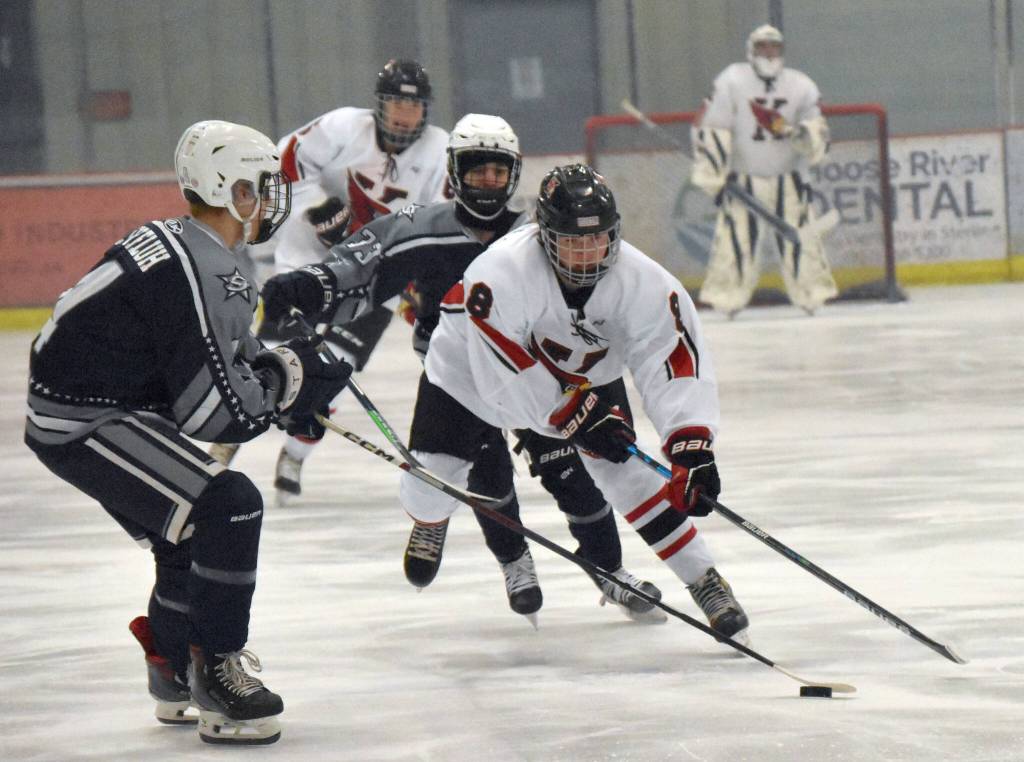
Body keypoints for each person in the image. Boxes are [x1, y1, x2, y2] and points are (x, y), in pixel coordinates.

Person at [266, 161, 750, 643]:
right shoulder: (501, 271)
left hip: (581, 373)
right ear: (545, 236)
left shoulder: (645, 281)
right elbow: (505, 371)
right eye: (572, 242)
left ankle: (704, 578)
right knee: (430, 485)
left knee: (627, 473)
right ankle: (432, 518)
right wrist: (571, 417)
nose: (586, 255)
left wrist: (690, 442)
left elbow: (673, 358)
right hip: (466, 372)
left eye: (597, 239)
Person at [24, 120, 352, 745]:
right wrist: (291, 386)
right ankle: (218, 672)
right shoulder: (204, 267)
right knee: (228, 507)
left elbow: (229, 362)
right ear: (230, 191)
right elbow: (214, 414)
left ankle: (171, 667)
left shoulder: (192, 244)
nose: (273, 199)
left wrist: (283, 382)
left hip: (89, 403)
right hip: (85, 418)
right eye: (262, 186)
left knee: (183, 532)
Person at [210, 58, 450, 500]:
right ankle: (226, 441)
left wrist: (420, 281)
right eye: (396, 102)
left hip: (375, 278)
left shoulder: (440, 152)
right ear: (380, 104)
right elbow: (283, 165)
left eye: (413, 106)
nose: (404, 114)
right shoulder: (342, 128)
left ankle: (294, 457)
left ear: (426, 112)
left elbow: (440, 225)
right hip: (306, 262)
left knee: (332, 371)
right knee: (269, 357)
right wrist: (314, 208)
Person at [692, 23, 836, 317]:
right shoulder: (732, 80)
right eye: (762, 47)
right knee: (736, 240)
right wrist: (713, 170)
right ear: (751, 51)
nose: (768, 53)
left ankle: (811, 293)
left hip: (790, 178)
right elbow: (715, 125)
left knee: (800, 240)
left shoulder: (801, 84)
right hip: (743, 179)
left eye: (774, 47)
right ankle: (728, 298)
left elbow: (818, 125)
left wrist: (806, 135)